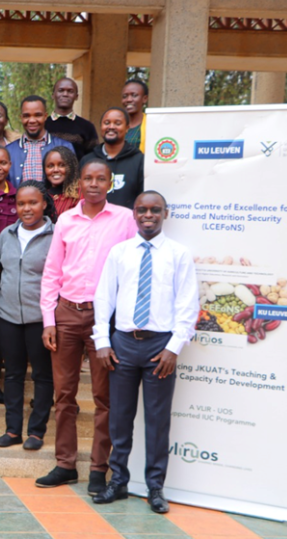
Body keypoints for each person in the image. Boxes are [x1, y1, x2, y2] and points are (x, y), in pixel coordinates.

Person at [36, 158, 138, 494]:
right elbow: (52, 272)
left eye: (101, 179)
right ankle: (65, 463)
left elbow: (134, 270)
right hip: (66, 313)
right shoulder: (66, 219)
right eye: (88, 178)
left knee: (103, 396)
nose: (93, 184)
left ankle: (98, 467)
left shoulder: (125, 220)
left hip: (104, 319)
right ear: (78, 183)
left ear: (110, 183)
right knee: (64, 394)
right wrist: (49, 320)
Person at [91, 191, 197, 512]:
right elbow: (103, 298)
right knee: (120, 418)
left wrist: (173, 348)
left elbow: (187, 305)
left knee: (157, 419)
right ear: (134, 214)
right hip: (122, 343)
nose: (148, 215)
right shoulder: (120, 252)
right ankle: (118, 481)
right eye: (142, 210)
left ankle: (155, 487)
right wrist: (102, 341)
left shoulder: (179, 254)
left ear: (165, 213)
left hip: (159, 348)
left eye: (155, 210)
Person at [0, 181, 56, 451]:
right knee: (13, 374)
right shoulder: (6, 234)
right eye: (21, 203)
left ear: (44, 204)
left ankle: (37, 432)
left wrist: (51, 318)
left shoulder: (56, 236)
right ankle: (13, 430)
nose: (26, 208)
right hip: (6, 314)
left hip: (41, 319)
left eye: (33, 203)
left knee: (42, 375)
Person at [5, 95, 75, 189]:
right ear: (21, 118)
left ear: (45, 116)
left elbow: (72, 182)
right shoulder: (8, 151)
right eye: (26, 116)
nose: (32, 120)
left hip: (56, 203)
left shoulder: (65, 146)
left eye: (37, 115)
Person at [81, 108, 145, 209]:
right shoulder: (87, 160)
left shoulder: (140, 161)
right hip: (94, 222)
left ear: (127, 128)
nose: (111, 127)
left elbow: (143, 198)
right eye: (106, 123)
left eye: (117, 123)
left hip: (127, 222)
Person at [45, 77, 99, 159]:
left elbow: (93, 159)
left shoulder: (87, 127)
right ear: (53, 95)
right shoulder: (42, 125)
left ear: (76, 96)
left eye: (70, 91)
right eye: (61, 90)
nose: (65, 94)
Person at [43, 146, 81, 219]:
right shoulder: (42, 194)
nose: (56, 170)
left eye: (62, 165)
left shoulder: (80, 192)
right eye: (50, 166)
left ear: (71, 167)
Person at [121, 79, 149, 152]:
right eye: (125, 96)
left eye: (134, 95)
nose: (129, 99)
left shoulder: (151, 125)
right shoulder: (117, 124)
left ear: (144, 99)